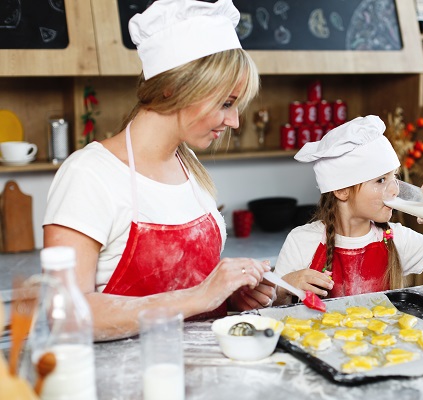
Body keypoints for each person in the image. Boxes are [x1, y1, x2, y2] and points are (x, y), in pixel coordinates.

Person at [43, 0, 275, 341]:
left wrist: (228, 293)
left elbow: (196, 292)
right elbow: (65, 316)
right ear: (174, 87)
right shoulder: (88, 175)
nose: (235, 121)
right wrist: (199, 296)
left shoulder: (190, 167)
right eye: (226, 103)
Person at [273, 115, 423, 304]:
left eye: (394, 177)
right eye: (381, 180)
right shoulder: (301, 242)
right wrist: (286, 287)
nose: (395, 190)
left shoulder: (396, 238)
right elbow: (271, 310)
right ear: (342, 191)